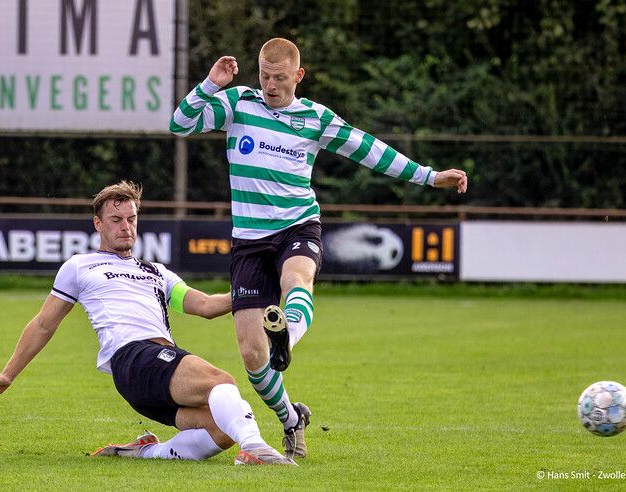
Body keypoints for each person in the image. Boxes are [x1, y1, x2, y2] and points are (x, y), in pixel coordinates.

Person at [170, 38, 468, 459]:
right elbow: (179, 125)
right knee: (252, 356)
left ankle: (285, 335)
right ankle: (292, 418)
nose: (270, 86)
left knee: (297, 277)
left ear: (298, 75)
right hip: (249, 242)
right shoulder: (238, 104)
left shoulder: (315, 118)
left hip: (297, 224)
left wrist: (428, 176)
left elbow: (368, 150)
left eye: (279, 78)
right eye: (264, 76)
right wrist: (210, 84)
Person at [0, 181, 295, 466]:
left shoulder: (157, 272)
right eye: (116, 220)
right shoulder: (80, 267)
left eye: (131, 219)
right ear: (98, 223)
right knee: (220, 381)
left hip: (154, 370)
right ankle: (254, 448)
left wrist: (254, 291)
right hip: (133, 358)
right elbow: (43, 324)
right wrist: (8, 374)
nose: (126, 226)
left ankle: (143, 453)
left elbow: (207, 306)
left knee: (222, 428)